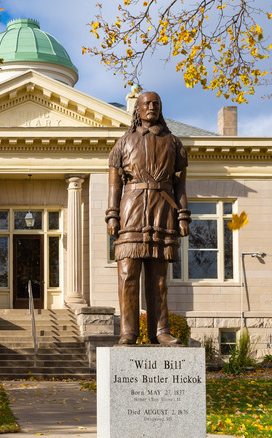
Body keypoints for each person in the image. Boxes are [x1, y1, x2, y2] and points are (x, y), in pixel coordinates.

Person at [106, 91, 191, 345]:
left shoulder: (173, 142)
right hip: (131, 210)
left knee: (160, 278)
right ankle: (128, 332)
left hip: (163, 210)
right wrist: (112, 215)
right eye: (146, 103)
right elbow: (114, 186)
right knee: (127, 273)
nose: (151, 107)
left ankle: (160, 331)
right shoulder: (123, 142)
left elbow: (181, 186)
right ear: (137, 109)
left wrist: (183, 216)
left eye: (156, 103)